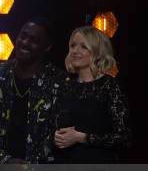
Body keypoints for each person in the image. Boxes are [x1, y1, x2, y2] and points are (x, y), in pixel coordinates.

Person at [0, 19, 67, 164]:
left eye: (34, 40)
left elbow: (60, 132)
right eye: (23, 36)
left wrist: (28, 166)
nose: (25, 43)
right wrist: (4, 160)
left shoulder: (58, 81)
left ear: (47, 47)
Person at [54, 26, 131, 163]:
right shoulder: (65, 87)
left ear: (97, 52)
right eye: (73, 45)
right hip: (66, 167)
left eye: (83, 46)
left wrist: (81, 137)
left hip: (99, 168)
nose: (75, 51)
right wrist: (55, 137)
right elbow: (51, 127)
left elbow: (124, 138)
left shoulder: (109, 86)